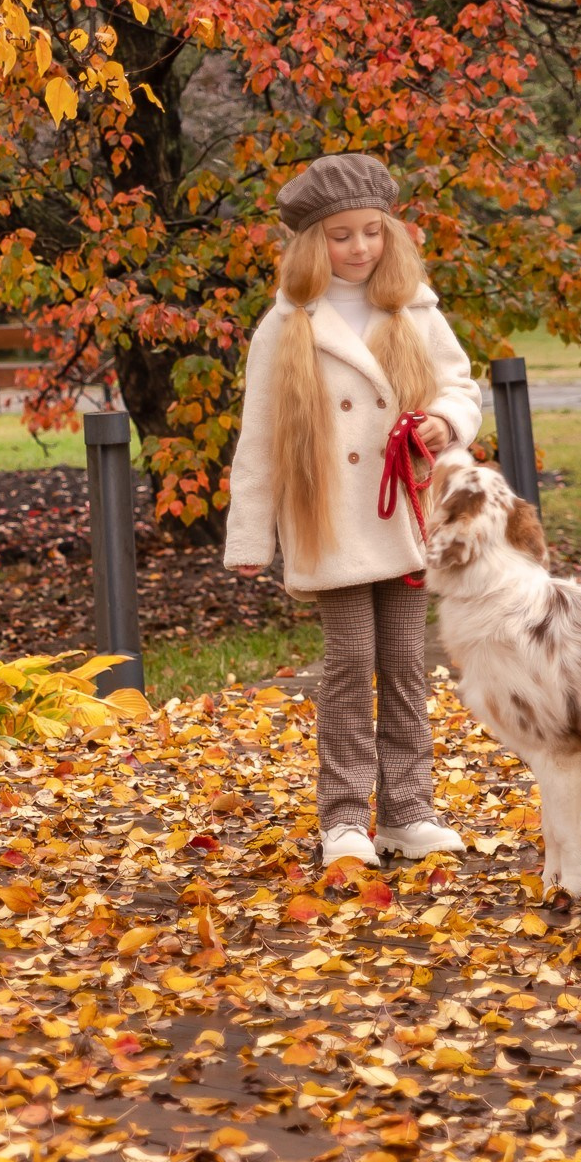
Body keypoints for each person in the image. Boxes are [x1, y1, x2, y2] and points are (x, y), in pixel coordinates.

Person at [223, 153, 483, 869]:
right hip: (329, 521)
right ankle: (343, 819)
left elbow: (460, 384)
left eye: (371, 231)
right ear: (313, 242)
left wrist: (443, 421)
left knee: (403, 661)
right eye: (342, 235)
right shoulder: (285, 324)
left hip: (403, 515)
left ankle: (407, 810)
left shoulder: (412, 306)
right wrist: (250, 536)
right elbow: (260, 435)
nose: (360, 248)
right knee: (349, 662)